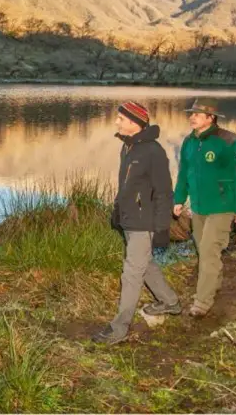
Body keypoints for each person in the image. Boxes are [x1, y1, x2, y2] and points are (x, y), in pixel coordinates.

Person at [93, 101, 181, 345]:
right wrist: (117, 211)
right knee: (145, 263)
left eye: (121, 118)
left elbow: (164, 192)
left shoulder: (153, 152)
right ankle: (171, 302)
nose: (117, 122)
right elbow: (126, 186)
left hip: (145, 222)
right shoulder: (128, 147)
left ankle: (119, 328)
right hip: (130, 219)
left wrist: (162, 228)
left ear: (134, 122)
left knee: (131, 272)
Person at [173, 98, 236, 318]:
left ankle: (202, 302)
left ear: (211, 118)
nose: (192, 117)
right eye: (191, 113)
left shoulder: (228, 141)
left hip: (223, 207)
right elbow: (184, 173)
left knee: (209, 251)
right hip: (199, 207)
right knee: (204, 250)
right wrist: (179, 199)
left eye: (197, 114)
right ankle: (214, 284)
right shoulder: (189, 141)